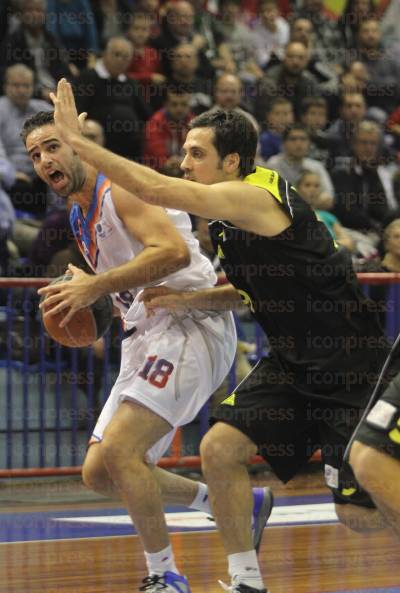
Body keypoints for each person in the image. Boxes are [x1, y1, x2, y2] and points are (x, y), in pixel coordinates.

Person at [46, 79, 400, 593]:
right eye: (185, 152)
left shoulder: (254, 195)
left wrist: (78, 144)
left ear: (231, 162)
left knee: (359, 512)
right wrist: (190, 300)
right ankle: (246, 582)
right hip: (293, 363)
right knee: (219, 448)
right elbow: (249, 294)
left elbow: (157, 190)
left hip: (351, 364)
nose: (184, 163)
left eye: (196, 154)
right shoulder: (230, 227)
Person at [22, 107, 272, 593]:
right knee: (99, 472)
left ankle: (164, 575)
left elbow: (173, 253)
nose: (45, 159)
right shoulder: (79, 212)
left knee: (122, 450)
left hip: (188, 323)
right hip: (146, 334)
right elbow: (123, 281)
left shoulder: (122, 190)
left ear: (78, 143)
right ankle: (228, 502)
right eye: (35, 154)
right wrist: (90, 292)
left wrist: (97, 285)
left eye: (53, 145)